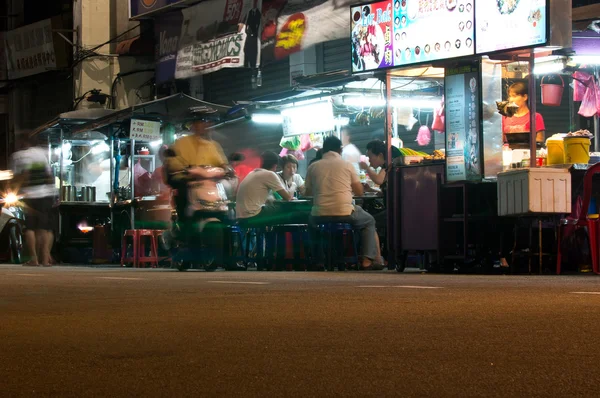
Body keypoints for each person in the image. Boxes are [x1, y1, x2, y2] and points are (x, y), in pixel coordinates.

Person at [305, 136, 383, 270]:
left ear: (324, 150)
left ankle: (318, 260)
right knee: (369, 221)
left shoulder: (313, 166)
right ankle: (367, 260)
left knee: (311, 223)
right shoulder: (347, 165)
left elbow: (307, 192)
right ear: (340, 150)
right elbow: (359, 192)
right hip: (344, 212)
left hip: (319, 213)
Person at [10, 140, 57, 266]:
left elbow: (17, 177)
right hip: (46, 194)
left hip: (30, 195)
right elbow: (49, 175)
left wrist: (13, 189)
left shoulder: (17, 156)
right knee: (45, 228)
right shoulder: (41, 153)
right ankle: (45, 259)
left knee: (30, 228)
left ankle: (34, 259)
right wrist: (54, 193)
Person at [236, 151, 292, 226]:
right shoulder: (269, 174)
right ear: (275, 166)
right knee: (287, 209)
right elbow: (288, 197)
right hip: (253, 215)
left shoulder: (252, 173)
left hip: (240, 217)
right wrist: (293, 185)